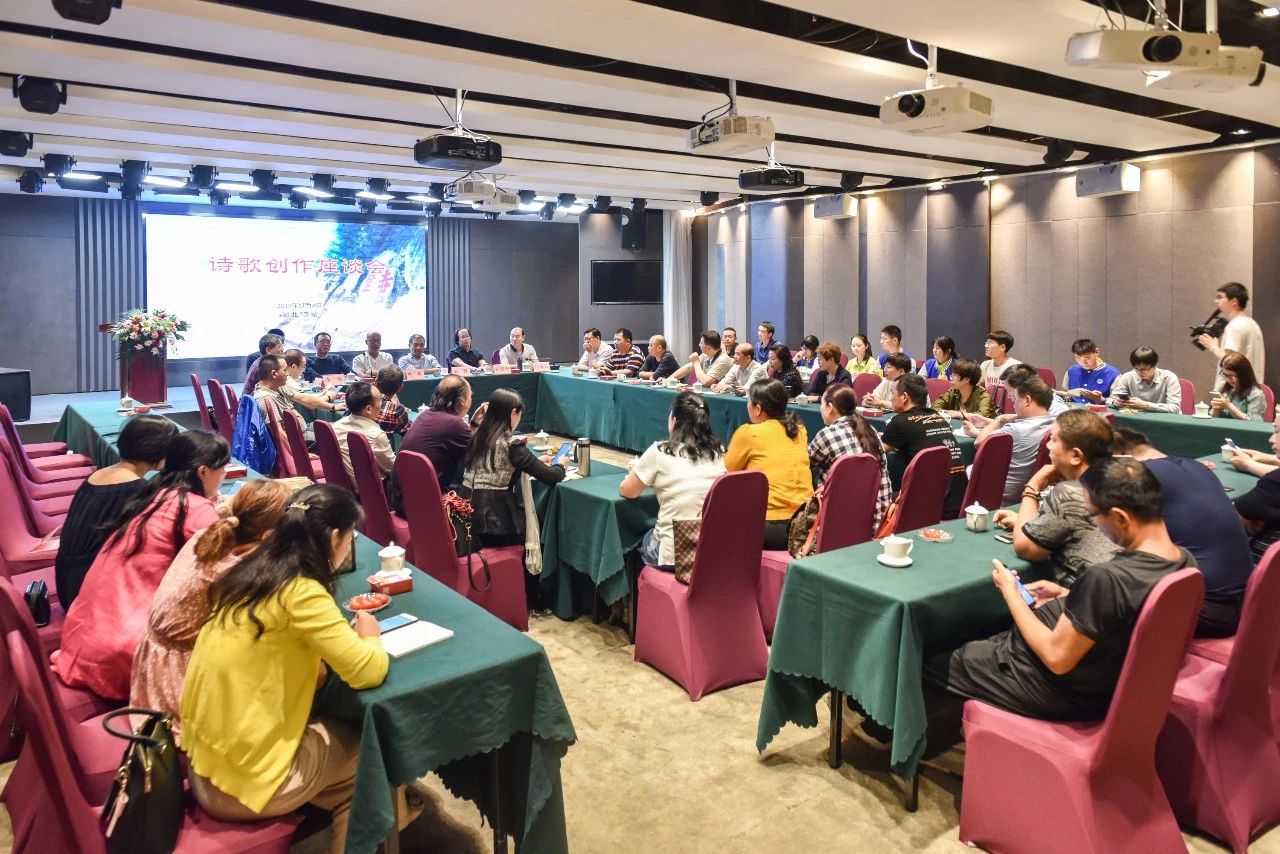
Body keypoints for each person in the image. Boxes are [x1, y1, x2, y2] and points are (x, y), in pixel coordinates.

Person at [181, 485, 387, 854]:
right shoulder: (301, 591)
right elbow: (367, 671)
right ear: (335, 537)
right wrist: (370, 634)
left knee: (345, 752)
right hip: (243, 782)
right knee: (376, 752)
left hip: (204, 764)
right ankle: (382, 824)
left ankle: (387, 818)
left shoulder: (251, 571)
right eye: (350, 538)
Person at [925, 457, 1196, 722]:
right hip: (1100, 680)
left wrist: (1011, 593)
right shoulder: (1184, 561)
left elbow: (1056, 658)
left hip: (1055, 688)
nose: (1095, 525)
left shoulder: (1107, 578)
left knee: (930, 664)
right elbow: (1131, 612)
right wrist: (1069, 595)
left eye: (1093, 516)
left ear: (1120, 517)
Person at [52, 430, 230, 700]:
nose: (224, 475)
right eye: (223, 469)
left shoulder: (152, 493)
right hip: (123, 655)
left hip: (83, 636)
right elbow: (225, 565)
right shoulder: (193, 508)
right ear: (203, 472)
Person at [130, 479, 292, 740]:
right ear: (268, 535)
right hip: (180, 681)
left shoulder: (206, 536)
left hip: (155, 662)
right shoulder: (236, 574)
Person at [1114, 427, 1254, 638]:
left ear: (1120, 457)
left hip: (1211, 609)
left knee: (1103, 598)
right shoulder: (1196, 466)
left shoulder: (1140, 477)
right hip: (1248, 600)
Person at [55, 415, 178, 608]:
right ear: (158, 450)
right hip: (89, 593)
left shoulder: (98, 475)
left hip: (66, 580)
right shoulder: (134, 488)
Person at [993, 410, 1119, 587]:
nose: (1047, 446)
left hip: (1084, 597)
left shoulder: (1070, 492)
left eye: (1053, 440)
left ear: (1076, 456)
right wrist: (1028, 521)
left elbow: (1025, 548)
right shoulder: (1122, 480)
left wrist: (1033, 486)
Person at [619, 391, 726, 570]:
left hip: (674, 555)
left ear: (674, 421)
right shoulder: (719, 451)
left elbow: (627, 491)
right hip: (711, 549)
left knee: (636, 541)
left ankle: (639, 587)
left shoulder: (659, 451)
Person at [462, 388, 565, 547]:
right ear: (513, 413)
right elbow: (552, 476)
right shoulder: (511, 445)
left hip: (466, 517)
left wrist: (536, 461)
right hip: (496, 526)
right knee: (541, 523)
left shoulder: (476, 436)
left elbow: (505, 464)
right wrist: (561, 464)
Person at [726, 378, 812, 549]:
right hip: (805, 522)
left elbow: (729, 472)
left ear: (758, 409)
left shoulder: (749, 433)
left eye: (749, 401)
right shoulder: (799, 430)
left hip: (770, 527)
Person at [808, 382, 892, 534]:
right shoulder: (870, 430)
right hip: (878, 523)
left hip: (837, 525)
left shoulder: (828, 434)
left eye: (822, 405)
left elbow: (804, 464)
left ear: (830, 407)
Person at [883, 374, 968, 519]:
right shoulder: (938, 417)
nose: (891, 398)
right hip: (959, 502)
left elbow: (880, 449)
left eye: (893, 393)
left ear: (904, 397)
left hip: (932, 508)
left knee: (879, 498)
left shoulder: (899, 422)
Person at [392, 375, 483, 505]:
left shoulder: (425, 415)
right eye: (470, 396)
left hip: (401, 499)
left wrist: (473, 424)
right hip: (425, 504)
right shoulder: (453, 424)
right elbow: (480, 455)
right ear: (462, 400)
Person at [967, 374, 1056, 505]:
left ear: (1027, 400)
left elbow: (980, 443)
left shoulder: (1015, 430)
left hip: (999, 497)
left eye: (1015, 398)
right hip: (1031, 493)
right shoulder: (1057, 424)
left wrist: (1000, 419)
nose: (1013, 404)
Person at [253, 355, 339, 454]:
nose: (287, 374)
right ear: (274, 374)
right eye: (285, 370)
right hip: (299, 439)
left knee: (339, 428)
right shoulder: (265, 398)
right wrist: (300, 454)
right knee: (337, 437)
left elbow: (304, 398)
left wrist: (333, 406)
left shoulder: (277, 386)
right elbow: (278, 432)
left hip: (304, 428)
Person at [1199, 282, 1265, 392]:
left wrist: (1213, 346)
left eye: (1220, 297)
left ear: (1234, 301)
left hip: (1234, 390)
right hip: (1252, 388)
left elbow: (1231, 362)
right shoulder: (1253, 324)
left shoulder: (1234, 326)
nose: (1216, 301)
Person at [1230, 419, 1280, 563]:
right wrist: (1271, 458)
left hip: (1255, 570)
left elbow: (1232, 520)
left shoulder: (1274, 483)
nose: (1271, 439)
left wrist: (1248, 464)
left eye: (1277, 432)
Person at [330, 382, 394, 486]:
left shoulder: (335, 426)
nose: (382, 404)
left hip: (342, 487)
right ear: (368, 409)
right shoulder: (376, 435)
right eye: (380, 400)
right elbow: (393, 469)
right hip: (372, 490)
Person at [1106, 347, 1182, 413]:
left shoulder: (1169, 377)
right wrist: (1115, 402)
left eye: (1144, 369)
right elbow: (1109, 400)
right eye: (1136, 369)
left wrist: (1146, 405)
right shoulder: (1128, 377)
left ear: (1155, 365)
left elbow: (1175, 408)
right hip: (1137, 419)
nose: (1139, 373)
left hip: (1164, 420)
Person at [1062, 339, 1120, 405]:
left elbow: (1118, 403)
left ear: (1097, 352)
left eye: (1087, 358)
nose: (1083, 363)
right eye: (1078, 358)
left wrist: (1101, 400)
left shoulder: (1113, 374)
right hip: (1074, 410)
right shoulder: (1071, 371)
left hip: (1101, 411)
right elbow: (1065, 395)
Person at [1211, 351, 1266, 421]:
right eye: (1225, 375)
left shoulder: (1256, 394)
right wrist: (1216, 410)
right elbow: (1213, 420)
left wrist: (1229, 406)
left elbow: (1254, 422)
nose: (1228, 379)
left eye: (1232, 376)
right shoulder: (1223, 389)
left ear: (1243, 374)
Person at [374, 367, 409, 437]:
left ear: (376, 381)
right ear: (401, 387)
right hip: (379, 443)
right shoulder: (397, 410)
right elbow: (409, 433)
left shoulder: (360, 399)